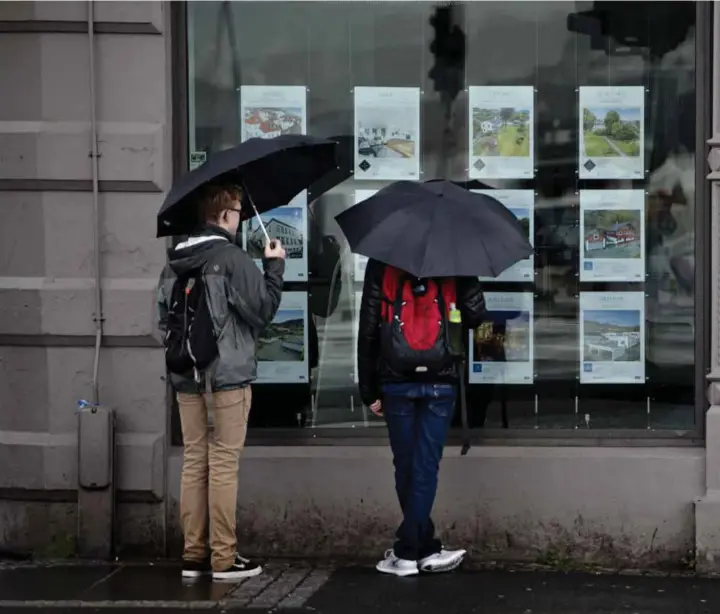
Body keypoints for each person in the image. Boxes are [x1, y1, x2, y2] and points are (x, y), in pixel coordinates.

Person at [156, 183, 285, 581]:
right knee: (224, 464)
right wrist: (275, 266)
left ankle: (194, 556)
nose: (241, 216)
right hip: (226, 377)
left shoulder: (174, 262)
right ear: (225, 215)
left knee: (195, 461)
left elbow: (163, 321)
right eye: (238, 210)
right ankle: (224, 559)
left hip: (186, 376)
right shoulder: (231, 259)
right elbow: (262, 310)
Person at [357, 259, 486, 576]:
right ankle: (411, 551)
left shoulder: (382, 261)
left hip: (395, 380)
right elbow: (475, 316)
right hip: (441, 380)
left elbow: (368, 330)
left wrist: (369, 390)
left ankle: (417, 547)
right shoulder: (455, 256)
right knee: (425, 465)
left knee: (406, 464)